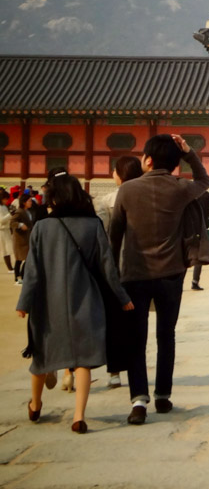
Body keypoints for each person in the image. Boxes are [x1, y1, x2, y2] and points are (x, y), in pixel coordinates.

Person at [16, 172, 134, 434]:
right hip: (86, 301)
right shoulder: (92, 225)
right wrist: (122, 298)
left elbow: (32, 272)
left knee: (41, 356)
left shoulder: (43, 227)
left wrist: (24, 303)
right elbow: (108, 267)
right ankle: (78, 416)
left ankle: (35, 404)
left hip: (48, 303)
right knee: (83, 360)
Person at [109, 133, 209, 425]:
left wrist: (112, 275)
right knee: (167, 334)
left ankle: (139, 400)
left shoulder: (126, 190)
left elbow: (115, 236)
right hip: (171, 273)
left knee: (136, 338)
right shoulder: (180, 187)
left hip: (134, 274)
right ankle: (163, 395)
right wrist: (189, 153)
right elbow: (204, 181)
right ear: (175, 163)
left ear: (148, 160)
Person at [93, 155, 143, 388]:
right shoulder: (146, 197)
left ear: (120, 174)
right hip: (142, 268)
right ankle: (136, 368)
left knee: (114, 322)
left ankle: (114, 372)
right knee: (136, 324)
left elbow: (101, 237)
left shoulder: (105, 201)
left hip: (114, 269)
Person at [10, 193, 35, 285]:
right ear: (24, 202)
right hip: (20, 239)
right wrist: (20, 225)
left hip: (26, 238)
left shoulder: (28, 211)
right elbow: (12, 222)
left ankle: (22, 275)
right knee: (20, 259)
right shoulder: (19, 211)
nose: (31, 202)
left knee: (27, 258)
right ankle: (18, 277)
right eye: (29, 201)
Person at [0, 188, 15, 273]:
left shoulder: (4, 206)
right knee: (5, 249)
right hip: (1, 230)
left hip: (6, 229)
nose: (7, 200)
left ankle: (10, 267)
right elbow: (1, 220)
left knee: (8, 248)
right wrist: (10, 214)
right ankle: (9, 268)